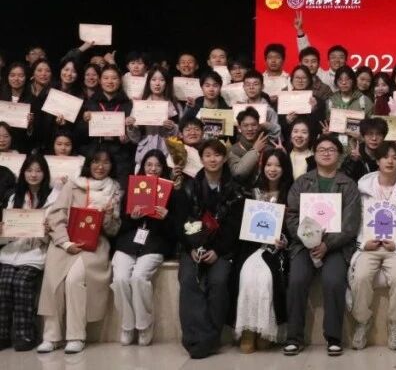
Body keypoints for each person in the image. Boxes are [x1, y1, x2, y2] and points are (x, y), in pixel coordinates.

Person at [37, 147, 122, 354]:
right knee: (54, 281)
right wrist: (65, 243)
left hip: (94, 245)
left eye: (106, 162)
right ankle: (51, 337)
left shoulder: (114, 190)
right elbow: (55, 217)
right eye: (96, 161)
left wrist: (109, 215)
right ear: (88, 164)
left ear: (112, 166)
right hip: (64, 243)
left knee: (74, 280)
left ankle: (76, 335)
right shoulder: (72, 185)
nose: (100, 166)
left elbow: (112, 230)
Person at [283, 134, 361, 356]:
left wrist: (327, 244)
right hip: (304, 245)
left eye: (331, 150)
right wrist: (309, 240)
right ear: (314, 155)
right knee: (296, 280)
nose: (326, 153)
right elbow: (292, 216)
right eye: (321, 150)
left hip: (335, 247)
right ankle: (294, 337)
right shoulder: (302, 182)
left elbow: (350, 224)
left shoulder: (348, 184)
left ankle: (333, 337)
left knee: (333, 281)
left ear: (339, 155)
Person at [173, 139, 244, 359]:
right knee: (188, 280)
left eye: (217, 155)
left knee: (219, 281)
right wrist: (192, 247)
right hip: (192, 247)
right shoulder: (188, 187)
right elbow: (180, 221)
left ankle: (210, 338)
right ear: (201, 159)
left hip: (221, 249)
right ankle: (197, 338)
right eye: (208, 155)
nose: (213, 159)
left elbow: (235, 227)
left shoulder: (235, 189)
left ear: (224, 158)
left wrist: (218, 251)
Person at [348, 143, 396, 351]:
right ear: (377, 161)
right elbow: (356, 220)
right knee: (360, 276)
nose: (390, 161)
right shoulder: (363, 187)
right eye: (386, 157)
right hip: (368, 245)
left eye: (395, 158)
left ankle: (395, 324)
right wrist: (364, 243)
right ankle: (363, 321)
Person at [111, 149, 175, 347]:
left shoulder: (172, 190)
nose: (153, 169)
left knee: (138, 277)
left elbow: (176, 230)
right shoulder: (132, 188)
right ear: (142, 166)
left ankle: (144, 324)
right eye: (149, 164)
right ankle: (127, 325)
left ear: (163, 168)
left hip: (155, 243)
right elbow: (120, 225)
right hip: (128, 243)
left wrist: (166, 217)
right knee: (120, 279)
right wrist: (132, 217)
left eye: (157, 165)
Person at [234, 148, 293, 352]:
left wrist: (284, 241)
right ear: (262, 167)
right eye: (268, 164)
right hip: (251, 247)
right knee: (247, 276)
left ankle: (265, 329)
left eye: (277, 165)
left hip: (277, 250)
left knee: (266, 278)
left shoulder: (291, 193)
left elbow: (294, 227)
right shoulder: (252, 192)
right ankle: (248, 329)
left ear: (284, 169)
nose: (272, 169)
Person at [0, 154, 57, 351]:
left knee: (21, 282)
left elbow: (55, 232)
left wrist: (46, 231)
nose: (33, 174)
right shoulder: (14, 197)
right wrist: (4, 231)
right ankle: (3, 334)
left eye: (38, 171)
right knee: (4, 283)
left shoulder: (53, 198)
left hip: (35, 252)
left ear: (45, 173)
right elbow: (7, 232)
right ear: (23, 173)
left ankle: (25, 334)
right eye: (29, 170)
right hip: (12, 250)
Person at [127, 66, 180, 167]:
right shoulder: (140, 105)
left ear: (167, 83)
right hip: (144, 153)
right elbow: (135, 139)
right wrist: (130, 127)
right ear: (148, 82)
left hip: (167, 154)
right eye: (154, 79)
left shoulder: (174, 105)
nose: (157, 83)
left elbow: (180, 135)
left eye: (162, 80)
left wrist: (172, 128)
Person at [227, 107, 273, 183]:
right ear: (239, 128)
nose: (250, 129)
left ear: (259, 126)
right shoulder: (234, 150)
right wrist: (255, 150)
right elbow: (238, 173)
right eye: (245, 125)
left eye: (254, 125)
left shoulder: (268, 148)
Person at [341, 117, 387, 181]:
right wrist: (353, 161)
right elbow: (343, 179)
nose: (374, 138)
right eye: (370, 134)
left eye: (378, 134)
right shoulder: (354, 154)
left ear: (384, 137)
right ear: (363, 136)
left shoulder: (388, 155)